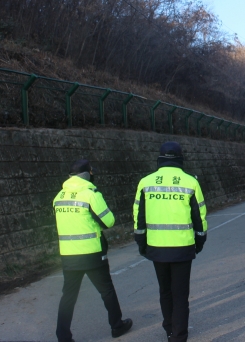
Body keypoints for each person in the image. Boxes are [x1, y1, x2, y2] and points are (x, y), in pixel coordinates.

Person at [133, 141, 208, 342]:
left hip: (157, 248)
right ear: (180, 158)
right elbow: (199, 216)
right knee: (180, 294)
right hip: (183, 247)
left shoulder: (145, 182)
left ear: (160, 158)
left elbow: (138, 216)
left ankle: (168, 329)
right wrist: (200, 241)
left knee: (165, 291)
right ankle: (179, 335)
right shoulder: (190, 182)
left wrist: (141, 242)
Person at [53, 159, 132, 342]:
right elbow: (108, 221)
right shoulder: (91, 194)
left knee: (69, 296)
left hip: (68, 254)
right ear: (87, 174)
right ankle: (117, 326)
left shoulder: (59, 196)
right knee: (106, 290)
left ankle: (63, 336)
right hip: (92, 253)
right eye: (91, 172)